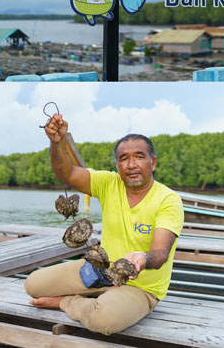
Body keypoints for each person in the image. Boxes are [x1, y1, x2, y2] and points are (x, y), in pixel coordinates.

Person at [25, 114, 183, 335]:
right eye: (124, 158)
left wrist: (143, 258)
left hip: (140, 287)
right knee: (33, 285)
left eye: (139, 156)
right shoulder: (109, 183)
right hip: (100, 269)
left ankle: (65, 302)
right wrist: (57, 142)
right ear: (117, 164)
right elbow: (66, 173)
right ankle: (96, 295)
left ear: (153, 162)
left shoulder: (168, 200)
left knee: (104, 320)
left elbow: (160, 253)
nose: (131, 165)